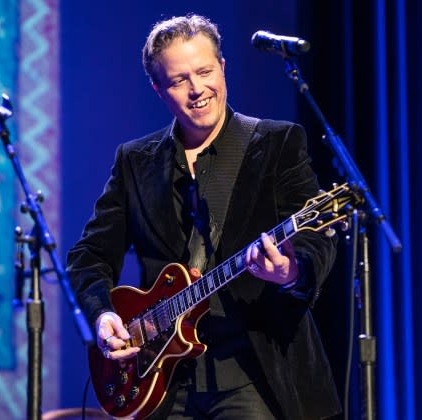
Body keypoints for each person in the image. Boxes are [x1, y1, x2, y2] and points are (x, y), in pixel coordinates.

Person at [67, 14, 341, 420]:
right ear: (158, 89)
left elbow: (315, 238)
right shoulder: (135, 162)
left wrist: (290, 270)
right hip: (161, 380)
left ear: (223, 68)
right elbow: (89, 254)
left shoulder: (277, 143)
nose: (197, 90)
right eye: (179, 80)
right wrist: (104, 313)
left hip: (253, 370)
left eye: (205, 71)